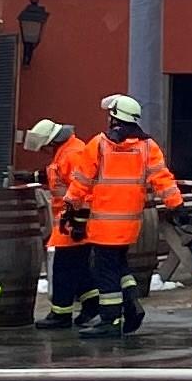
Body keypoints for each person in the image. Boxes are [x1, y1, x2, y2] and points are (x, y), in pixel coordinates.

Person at [68, 92, 183, 342]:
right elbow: (161, 178)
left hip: (103, 224)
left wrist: (70, 205)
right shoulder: (147, 147)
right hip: (129, 224)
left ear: (114, 118)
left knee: (104, 271)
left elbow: (81, 180)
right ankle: (130, 304)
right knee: (119, 266)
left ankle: (111, 320)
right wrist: (176, 204)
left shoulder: (99, 144)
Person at [25, 117, 92, 328]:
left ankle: (60, 314)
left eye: (45, 148)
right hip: (70, 220)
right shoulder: (67, 151)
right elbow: (58, 175)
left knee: (63, 268)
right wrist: (34, 175)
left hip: (72, 220)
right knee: (78, 267)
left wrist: (79, 222)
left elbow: (82, 189)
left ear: (51, 143)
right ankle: (92, 304)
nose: (45, 153)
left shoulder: (72, 154)